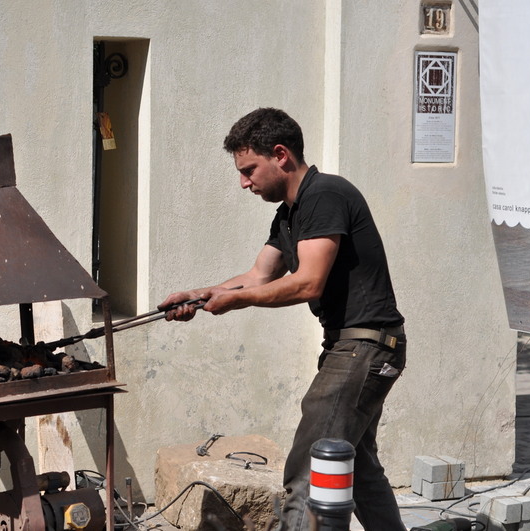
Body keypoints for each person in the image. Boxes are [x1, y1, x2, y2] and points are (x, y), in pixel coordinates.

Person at [159, 107, 407, 531]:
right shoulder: (290, 213)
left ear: (280, 155)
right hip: (352, 346)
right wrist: (199, 297)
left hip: (364, 346)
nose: (244, 183)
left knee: (311, 465)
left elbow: (308, 282)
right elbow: (258, 276)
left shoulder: (325, 196)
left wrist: (236, 301)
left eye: (249, 170)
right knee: (358, 467)